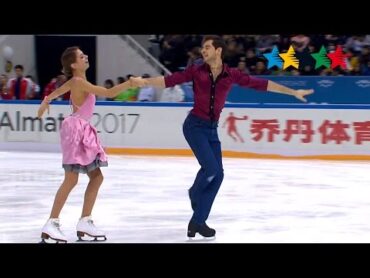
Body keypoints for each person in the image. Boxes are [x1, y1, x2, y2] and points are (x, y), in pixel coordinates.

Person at [141, 35, 314, 239]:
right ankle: (194, 194)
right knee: (212, 169)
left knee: (218, 175)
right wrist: (142, 81)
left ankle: (198, 221)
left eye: (207, 47)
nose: (203, 51)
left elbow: (262, 84)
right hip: (194, 126)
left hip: (212, 130)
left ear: (218, 51)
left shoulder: (231, 74)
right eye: (202, 48)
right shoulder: (195, 71)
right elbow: (168, 81)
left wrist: (293, 92)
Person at [37, 46, 145, 243]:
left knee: (96, 176)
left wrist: (46, 101)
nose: (85, 56)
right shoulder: (78, 81)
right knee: (72, 179)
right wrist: (129, 83)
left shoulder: (76, 81)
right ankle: (52, 223)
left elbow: (57, 91)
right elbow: (109, 92)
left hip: (79, 130)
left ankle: (85, 221)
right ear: (73, 64)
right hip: (77, 131)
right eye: (81, 56)